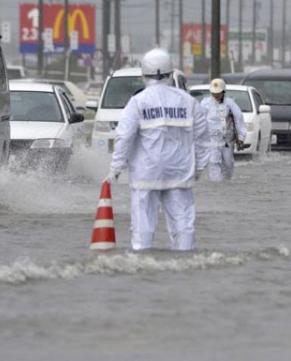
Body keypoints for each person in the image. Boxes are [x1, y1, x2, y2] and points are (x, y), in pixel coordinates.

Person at [103, 48, 210, 251]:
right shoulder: (188, 101)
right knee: (183, 227)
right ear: (171, 73)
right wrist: (199, 168)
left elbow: (124, 137)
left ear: (143, 74)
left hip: (145, 176)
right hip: (179, 174)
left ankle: (143, 269)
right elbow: (203, 139)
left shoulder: (137, 102)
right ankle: (185, 268)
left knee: (142, 230)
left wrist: (115, 169)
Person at [200, 78, 246, 182]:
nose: (216, 95)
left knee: (228, 163)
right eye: (214, 93)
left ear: (223, 91)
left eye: (218, 93)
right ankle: (216, 185)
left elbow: (238, 118)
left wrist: (241, 136)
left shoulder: (230, 103)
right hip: (212, 140)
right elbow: (199, 120)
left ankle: (226, 183)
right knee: (213, 162)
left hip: (227, 140)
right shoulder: (205, 103)